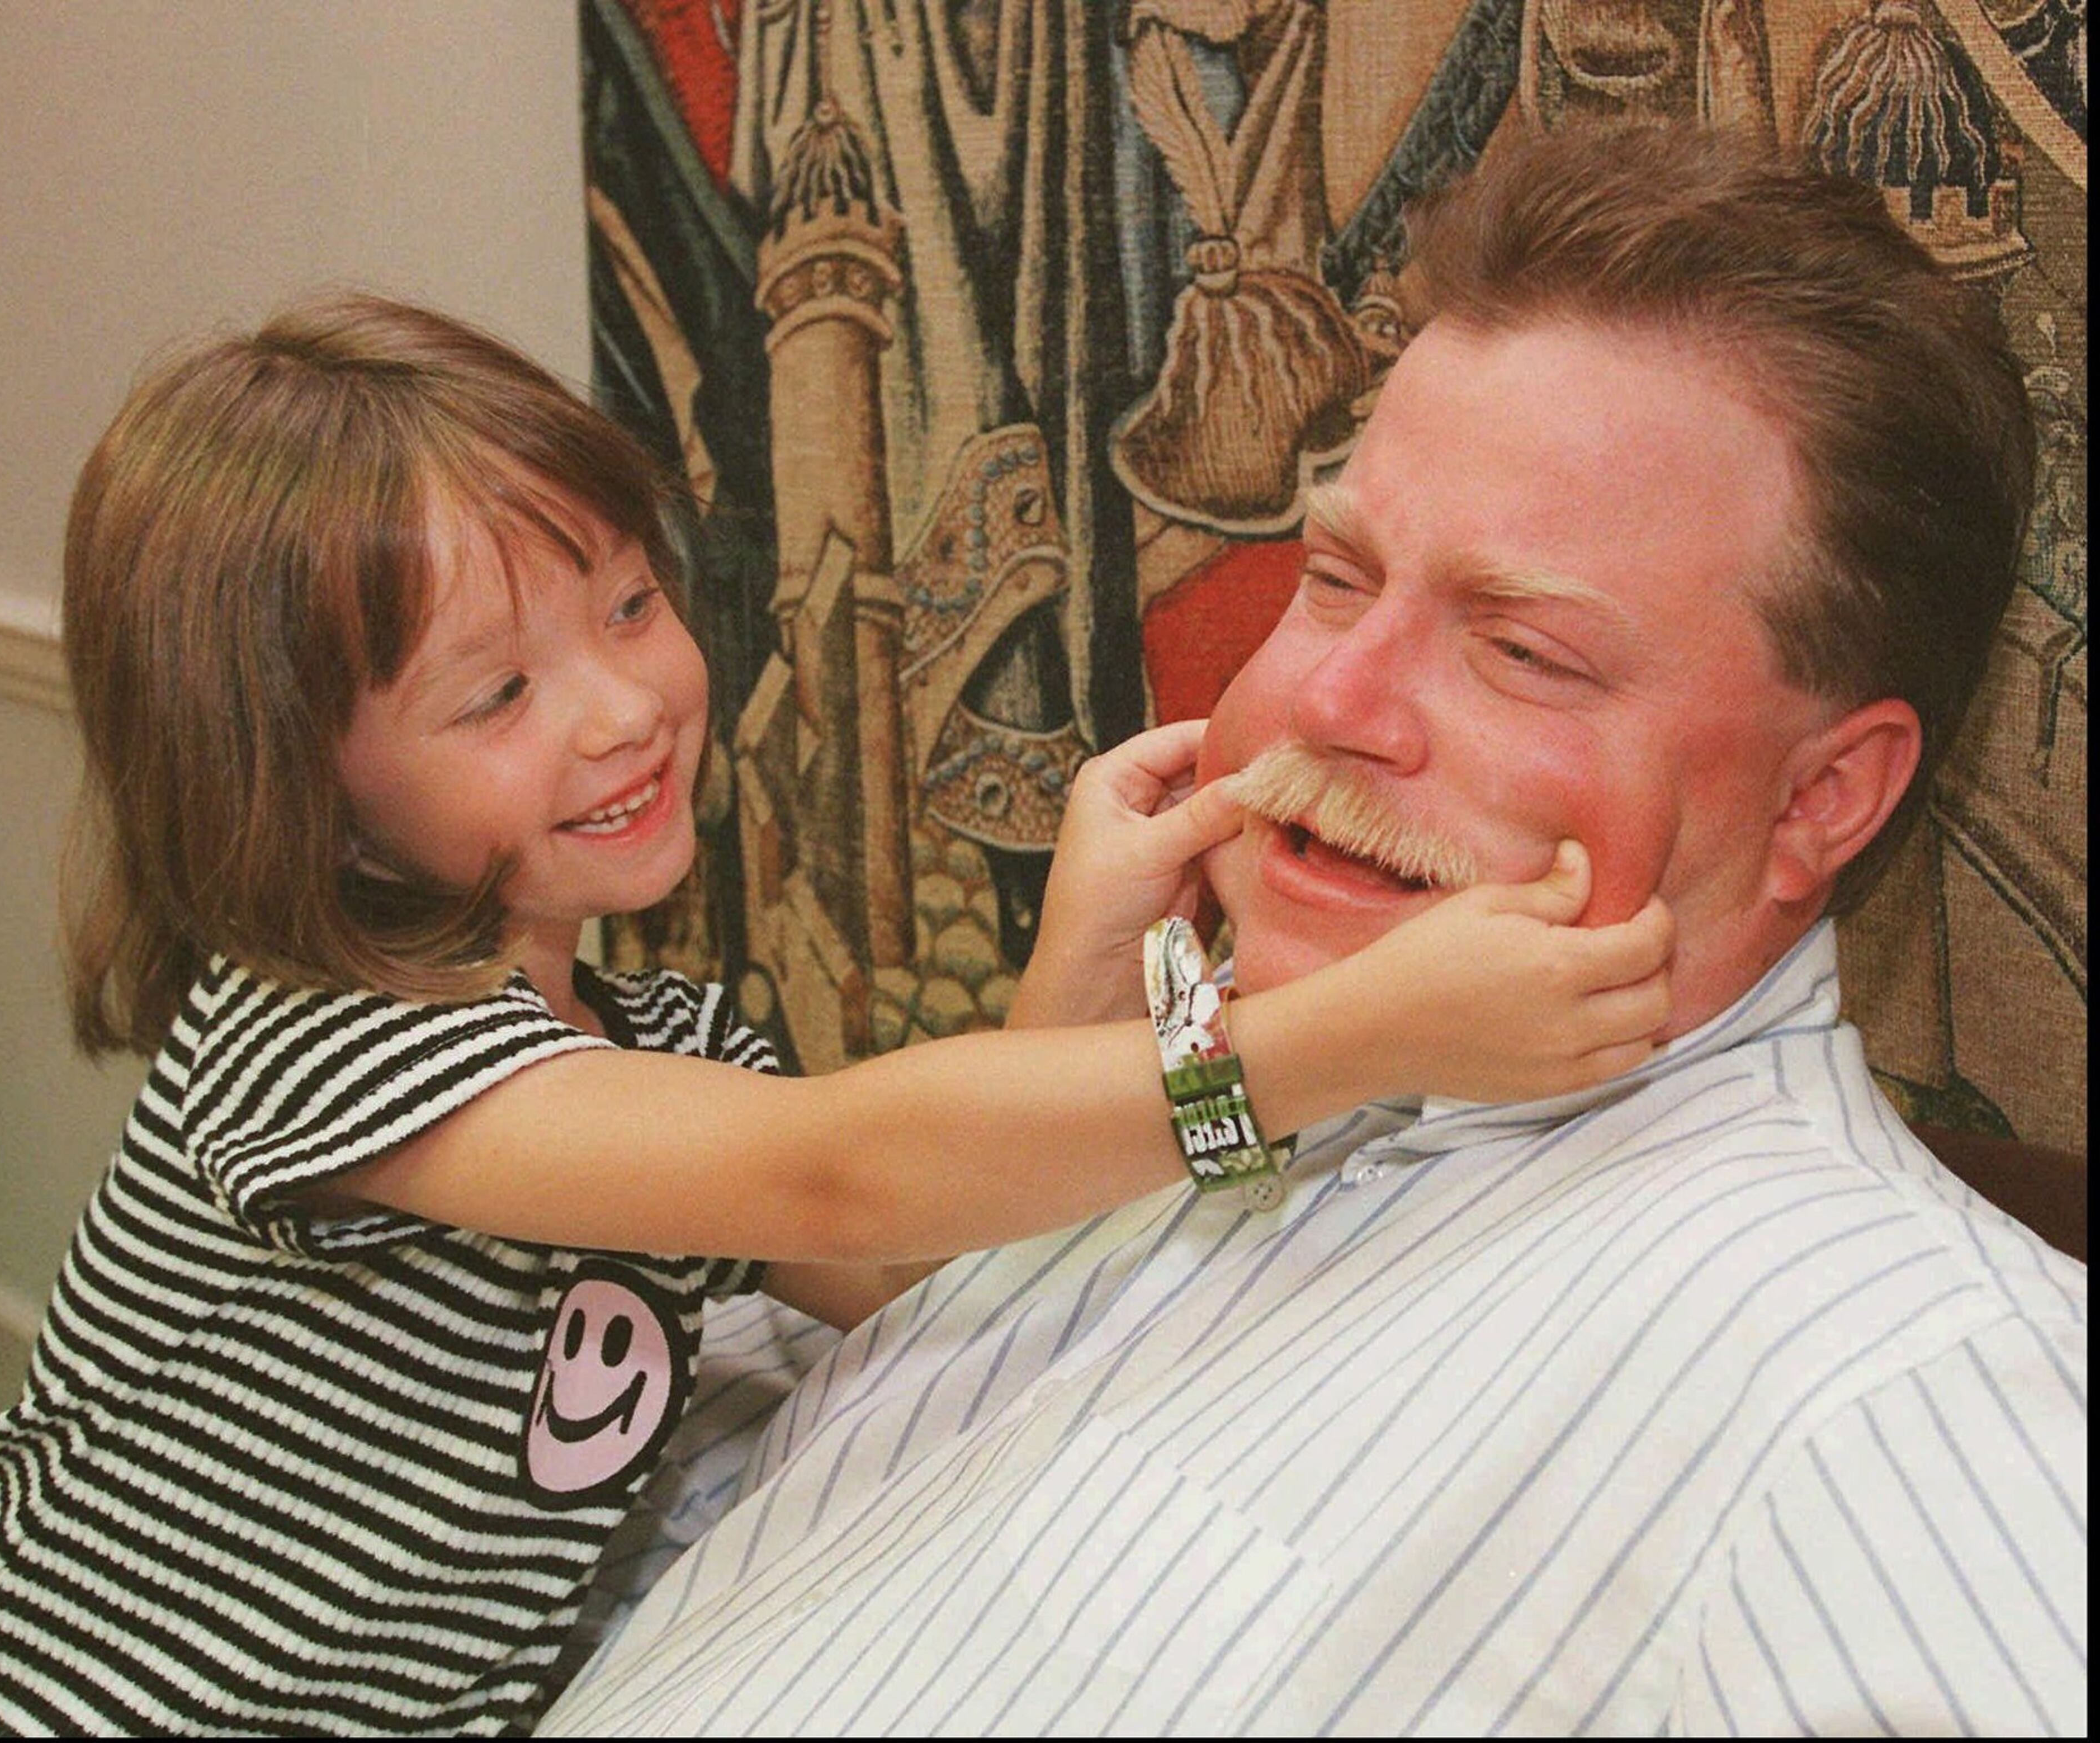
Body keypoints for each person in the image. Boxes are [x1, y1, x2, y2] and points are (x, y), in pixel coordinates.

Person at [537, 124, 2085, 1736]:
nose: (1326, 703)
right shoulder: (1181, 1086)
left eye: (1525, 652)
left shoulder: (1906, 1390)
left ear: (1824, 798)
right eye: (1338, 579)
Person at [0, 295, 1675, 1738]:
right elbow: (839, 1183)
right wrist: (1363, 1040)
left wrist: (1083, 964)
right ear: (303, 789)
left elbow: (908, 1270)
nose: (630, 706)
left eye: (630, 603)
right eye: (497, 694)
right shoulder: (310, 1045)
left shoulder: (674, 1050)